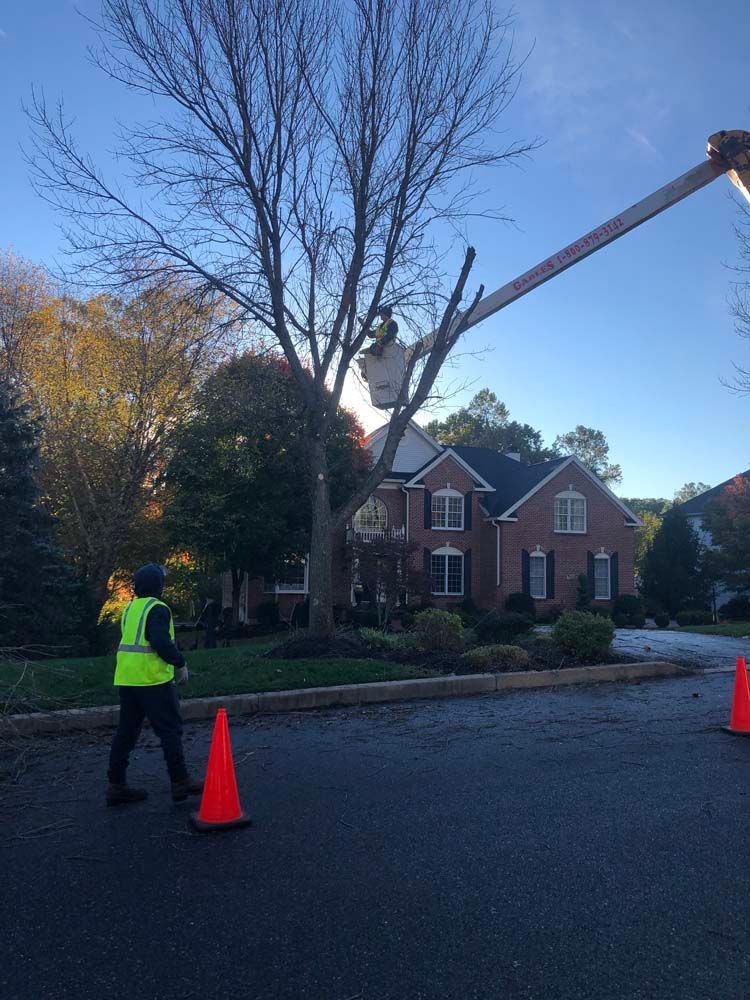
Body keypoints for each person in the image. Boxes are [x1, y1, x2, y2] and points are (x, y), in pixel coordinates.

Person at [106, 563, 204, 807]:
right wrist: (180, 663)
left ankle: (116, 785)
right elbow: (159, 640)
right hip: (153, 681)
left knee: (126, 733)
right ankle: (180, 780)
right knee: (170, 730)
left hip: (128, 680)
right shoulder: (158, 609)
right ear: (159, 586)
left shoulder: (131, 608)